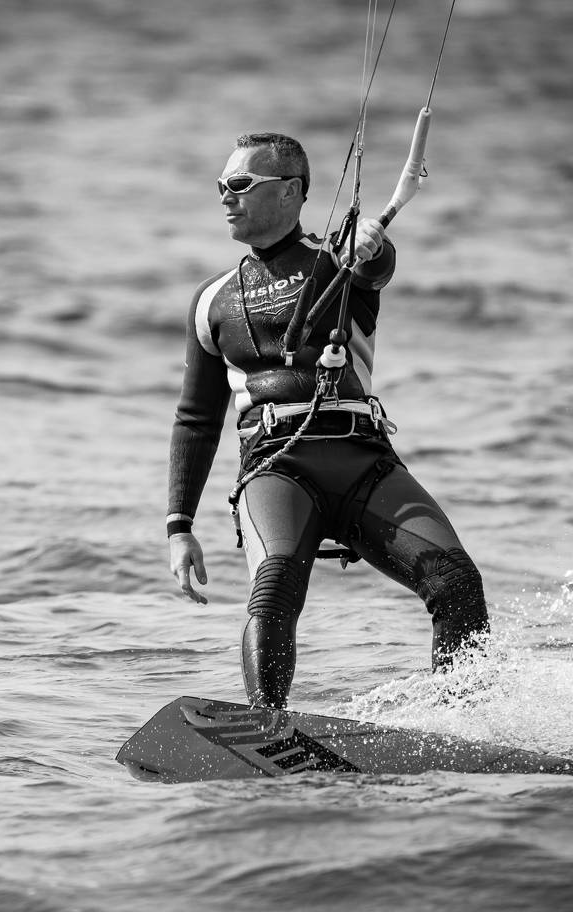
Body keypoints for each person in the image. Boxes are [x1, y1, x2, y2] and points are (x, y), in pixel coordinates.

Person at [166, 132, 490, 710]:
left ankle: (465, 720)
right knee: (273, 590)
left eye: (239, 184)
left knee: (457, 580)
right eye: (221, 186)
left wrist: (373, 246)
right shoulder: (211, 300)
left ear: (290, 191)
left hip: (362, 460)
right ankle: (268, 729)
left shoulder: (342, 260)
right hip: (276, 468)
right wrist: (179, 526)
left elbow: (378, 266)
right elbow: (195, 419)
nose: (225, 197)